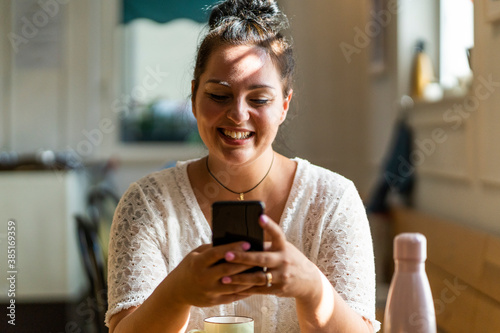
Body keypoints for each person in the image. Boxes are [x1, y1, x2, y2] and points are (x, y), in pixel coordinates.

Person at [106, 1, 380, 332]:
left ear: (284, 105)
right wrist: (176, 293)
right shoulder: (147, 204)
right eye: (219, 95)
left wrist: (311, 287)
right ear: (194, 97)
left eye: (259, 99)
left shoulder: (334, 201)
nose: (237, 114)